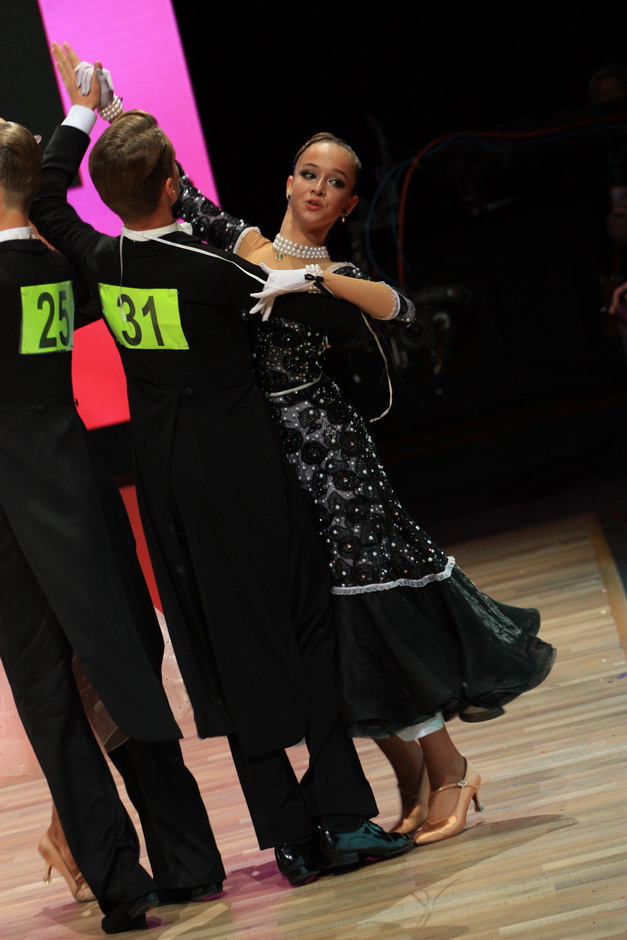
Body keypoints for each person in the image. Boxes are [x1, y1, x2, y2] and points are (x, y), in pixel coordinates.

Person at [31, 45, 413, 891]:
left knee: (221, 654)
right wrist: (318, 283)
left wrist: (83, 113)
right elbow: (346, 315)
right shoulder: (219, 273)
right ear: (172, 184)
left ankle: (289, 839)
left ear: (112, 195)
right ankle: (344, 819)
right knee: (307, 630)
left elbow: (48, 194)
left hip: (166, 491)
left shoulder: (100, 257)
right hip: (246, 478)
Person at [172, 133, 557, 844]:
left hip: (333, 456)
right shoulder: (247, 246)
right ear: (288, 182)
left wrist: (313, 281)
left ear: (350, 204)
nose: (319, 188)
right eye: (309, 174)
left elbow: (400, 308)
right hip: (269, 461)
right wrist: (105, 111)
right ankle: (410, 776)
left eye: (336, 182)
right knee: (330, 624)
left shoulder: (338, 272)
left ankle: (449, 768)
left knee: (372, 607)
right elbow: (182, 191)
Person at [0, 119, 225, 935]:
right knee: (124, 674)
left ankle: (121, 885)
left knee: (51, 697)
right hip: (80, 478)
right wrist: (79, 119)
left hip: (12, 502)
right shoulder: (62, 266)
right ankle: (189, 861)